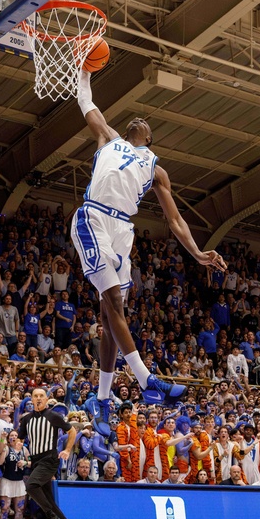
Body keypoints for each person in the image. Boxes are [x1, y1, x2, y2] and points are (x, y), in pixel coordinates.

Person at [72, 70, 227, 413]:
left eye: (145, 123)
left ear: (149, 138)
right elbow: (85, 99)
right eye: (136, 120)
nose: (140, 119)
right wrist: (84, 69)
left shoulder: (157, 170)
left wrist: (197, 253)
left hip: (122, 231)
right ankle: (146, 380)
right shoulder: (108, 137)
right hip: (95, 217)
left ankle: (102, 399)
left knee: (111, 319)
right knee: (114, 303)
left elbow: (175, 220)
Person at [17, 388, 81, 519]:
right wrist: (18, 444)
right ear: (31, 399)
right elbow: (20, 438)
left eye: (41, 396)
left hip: (49, 460)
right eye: (35, 396)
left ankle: (52, 516)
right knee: (49, 501)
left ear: (46, 399)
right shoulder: (27, 419)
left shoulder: (53, 416)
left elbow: (72, 431)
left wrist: (67, 450)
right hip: (36, 461)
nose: (38, 398)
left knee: (31, 486)